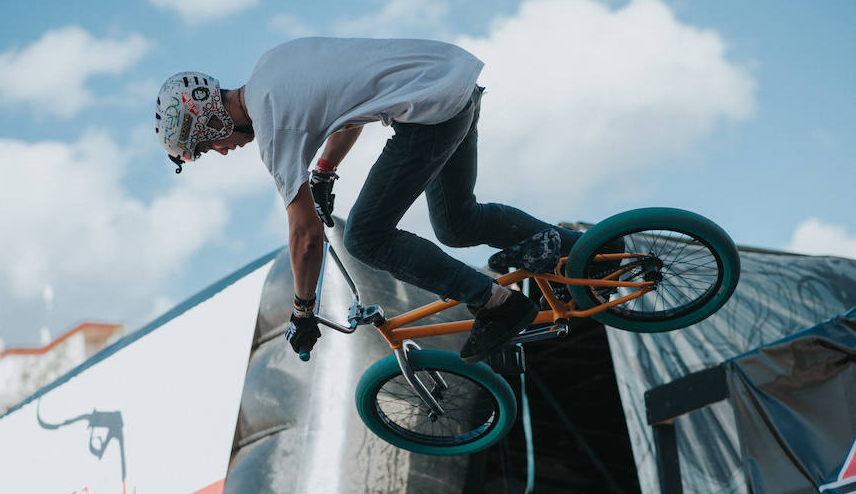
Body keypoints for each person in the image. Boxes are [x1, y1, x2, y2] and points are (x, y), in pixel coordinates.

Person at [154, 37, 576, 364]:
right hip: (454, 80)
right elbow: (350, 109)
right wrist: (322, 171)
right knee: (457, 223)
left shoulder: (272, 127)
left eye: (209, 146)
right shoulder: (272, 64)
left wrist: (303, 310)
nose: (223, 151)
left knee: (365, 238)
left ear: (209, 120)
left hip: (432, 112)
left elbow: (305, 236)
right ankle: (579, 250)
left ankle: (497, 304)